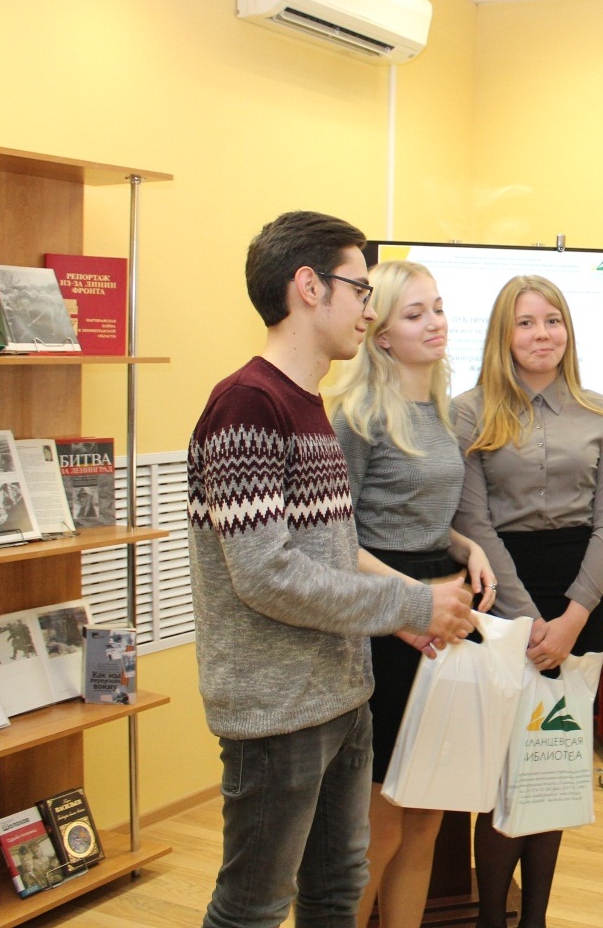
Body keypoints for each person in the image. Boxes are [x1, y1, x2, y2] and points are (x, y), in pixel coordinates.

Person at [187, 210, 476, 928]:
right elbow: (265, 574)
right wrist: (412, 605)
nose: (368, 310)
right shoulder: (247, 404)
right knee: (253, 906)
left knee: (338, 889)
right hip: (278, 706)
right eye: (359, 289)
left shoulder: (306, 402)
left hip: (340, 693)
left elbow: (331, 551)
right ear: (309, 287)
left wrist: (401, 619)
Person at [452, 274, 603, 928]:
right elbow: (473, 523)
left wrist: (574, 618)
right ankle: (490, 919)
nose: (541, 334)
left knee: (554, 767)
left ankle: (535, 919)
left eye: (552, 320)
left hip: (581, 601)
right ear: (503, 334)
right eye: (525, 322)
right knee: (509, 773)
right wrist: (529, 623)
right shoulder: (468, 412)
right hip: (502, 602)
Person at [328, 259, 498, 928]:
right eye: (415, 313)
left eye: (439, 307)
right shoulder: (357, 414)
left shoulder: (438, 410)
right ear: (381, 335)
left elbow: (418, 514)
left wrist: (466, 547)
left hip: (440, 607)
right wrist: (413, 597)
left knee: (427, 818)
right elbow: (335, 537)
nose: (436, 323)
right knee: (384, 821)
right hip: (387, 620)